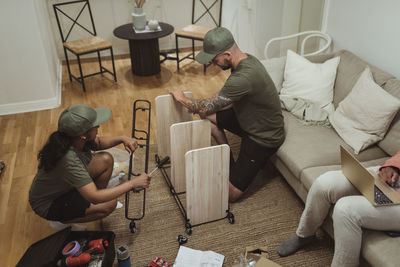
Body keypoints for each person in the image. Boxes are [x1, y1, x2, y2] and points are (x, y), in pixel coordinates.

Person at [170, 27, 284, 202]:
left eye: (215, 60)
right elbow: (225, 101)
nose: (213, 64)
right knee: (208, 118)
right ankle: (227, 159)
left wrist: (183, 99)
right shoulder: (247, 59)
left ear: (227, 55)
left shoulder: (243, 76)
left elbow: (205, 107)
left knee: (230, 196)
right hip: (248, 118)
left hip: (263, 136)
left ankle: (241, 167)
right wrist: (210, 107)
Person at [29, 104, 151, 227]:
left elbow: (98, 142)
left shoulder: (72, 138)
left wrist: (122, 138)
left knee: (106, 159)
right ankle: (64, 220)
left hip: (65, 186)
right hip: (51, 203)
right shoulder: (68, 160)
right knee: (110, 204)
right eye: (95, 125)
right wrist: (132, 184)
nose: (98, 126)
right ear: (83, 135)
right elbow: (95, 197)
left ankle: (85, 201)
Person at [277, 152, 400, 267]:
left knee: (346, 209)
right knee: (324, 184)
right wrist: (393, 166)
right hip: (396, 180)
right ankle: (305, 235)